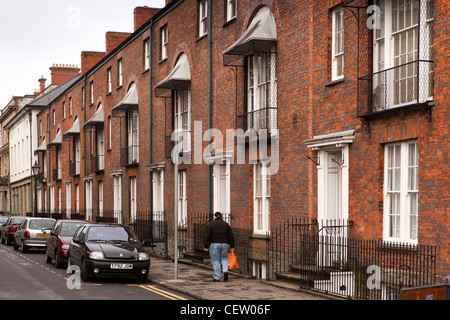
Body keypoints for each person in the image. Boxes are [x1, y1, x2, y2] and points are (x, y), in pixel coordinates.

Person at [203, 212, 235, 282]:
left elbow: (207, 235)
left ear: (215, 217)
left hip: (214, 244)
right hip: (225, 244)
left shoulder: (211, 224)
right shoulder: (226, 224)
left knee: (216, 260)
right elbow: (230, 236)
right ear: (221, 217)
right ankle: (225, 270)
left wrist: (206, 246)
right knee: (224, 258)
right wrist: (232, 245)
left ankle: (217, 277)